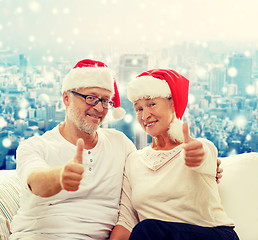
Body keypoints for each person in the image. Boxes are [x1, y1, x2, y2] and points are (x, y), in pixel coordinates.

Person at [10, 59, 137, 240]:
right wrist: (59, 177)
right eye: (91, 98)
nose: (99, 108)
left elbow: (129, 211)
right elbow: (35, 181)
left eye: (106, 100)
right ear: (66, 98)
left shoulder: (121, 144)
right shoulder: (34, 146)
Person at [110, 69, 239, 240]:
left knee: (148, 229)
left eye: (152, 104)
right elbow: (127, 222)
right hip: (154, 236)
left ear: (173, 104)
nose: (145, 115)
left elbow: (204, 156)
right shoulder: (134, 161)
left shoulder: (198, 147)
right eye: (139, 109)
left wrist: (197, 154)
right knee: (146, 230)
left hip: (212, 235)